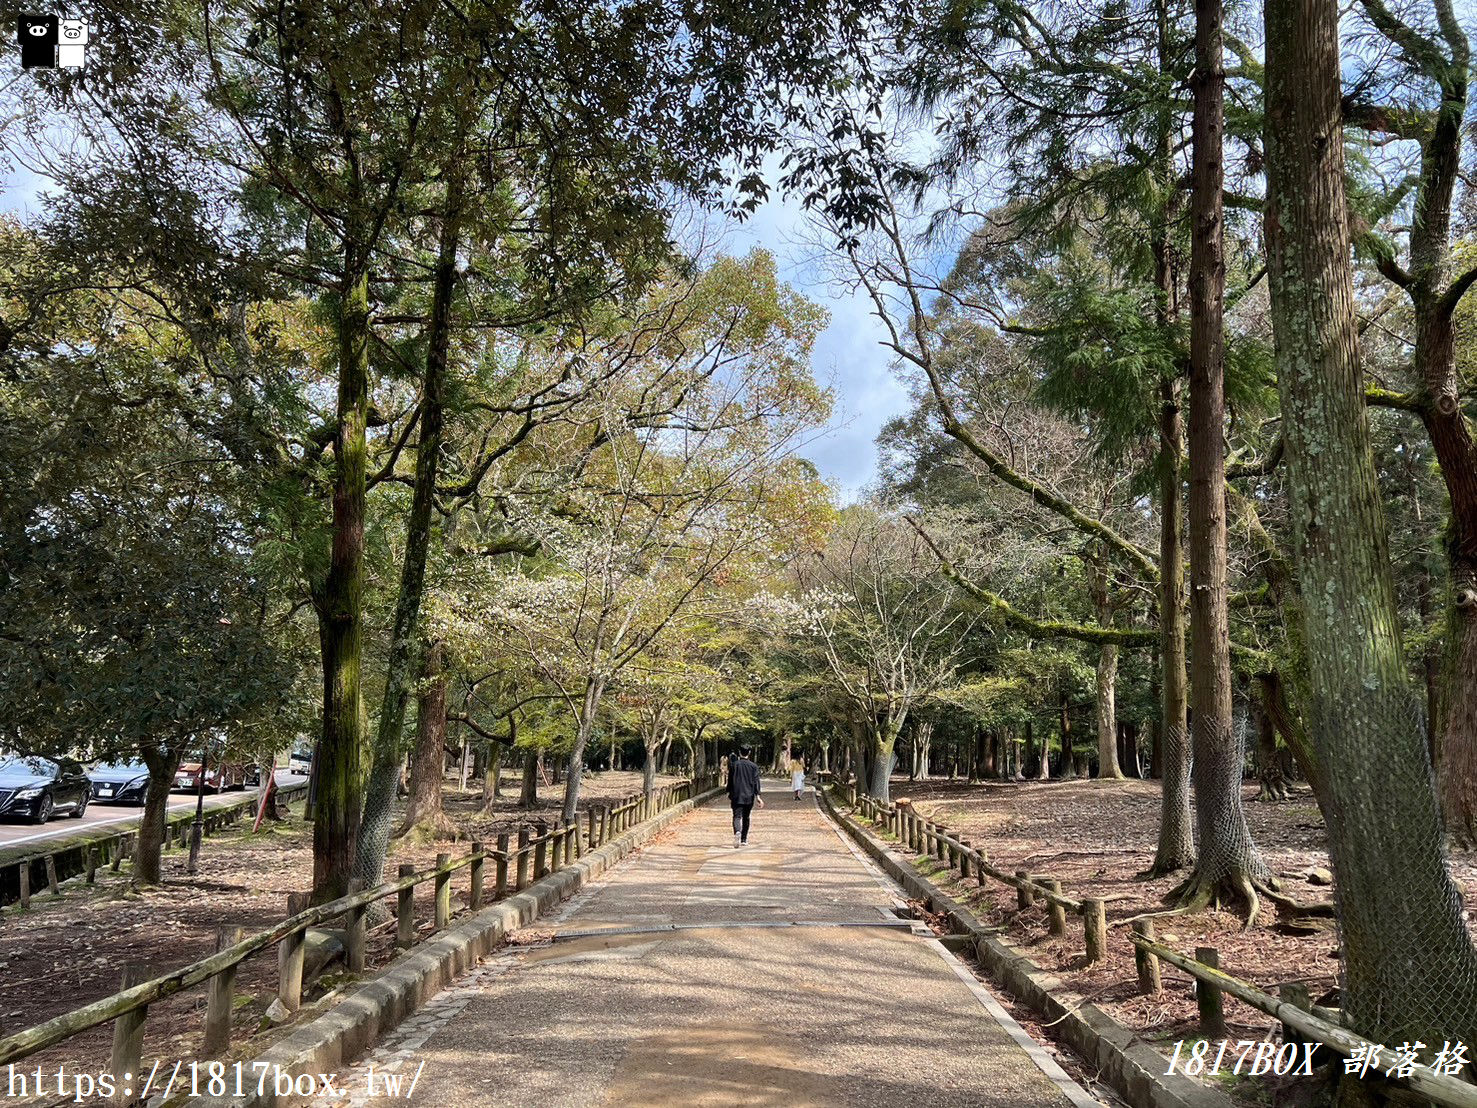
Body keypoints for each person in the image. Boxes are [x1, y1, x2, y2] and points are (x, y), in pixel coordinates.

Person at [727, 745, 762, 847]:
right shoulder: (753, 766)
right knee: (746, 817)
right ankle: (743, 839)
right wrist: (758, 796)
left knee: (737, 816)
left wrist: (729, 791)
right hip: (749, 795)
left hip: (736, 795)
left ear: (739, 752)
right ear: (749, 752)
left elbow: (730, 780)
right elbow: (756, 782)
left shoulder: (734, 765)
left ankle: (737, 831)